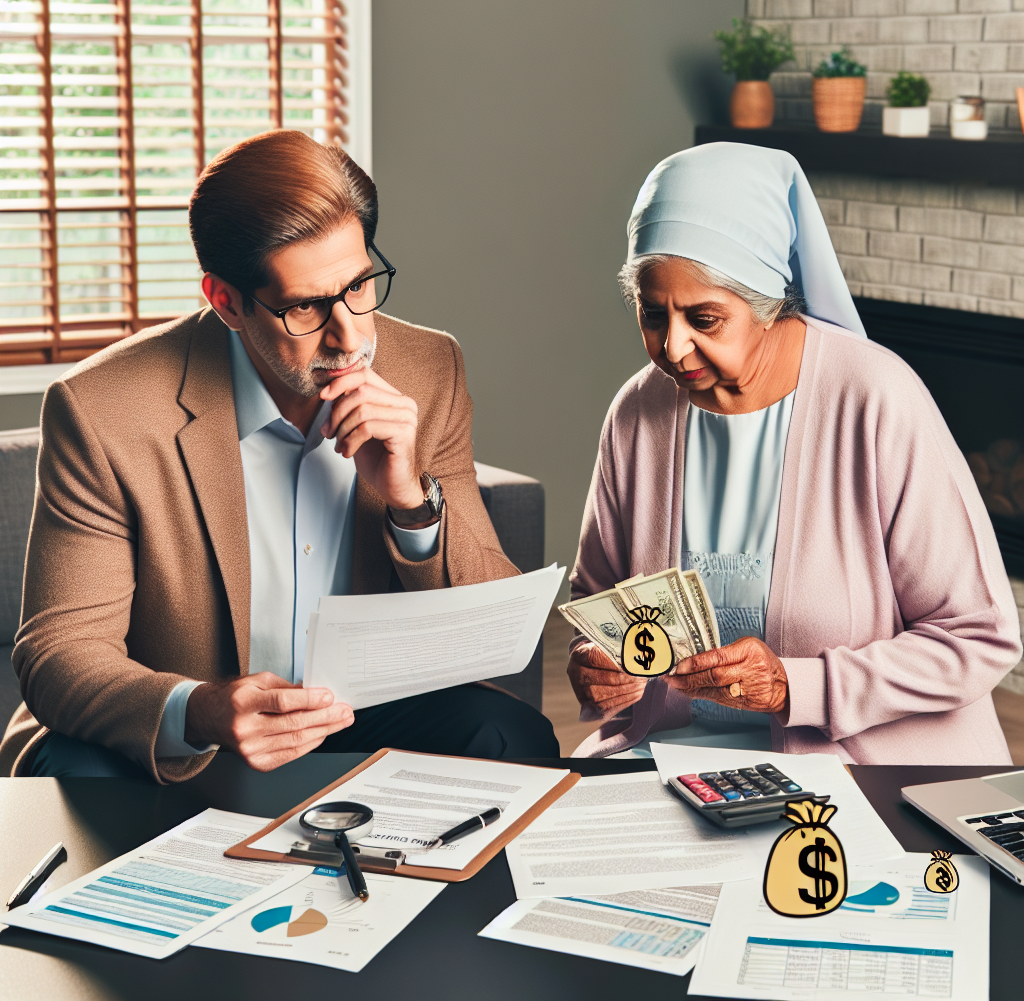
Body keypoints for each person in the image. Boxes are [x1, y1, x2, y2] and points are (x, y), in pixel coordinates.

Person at [0, 129, 557, 782]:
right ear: (226, 302)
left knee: (511, 734)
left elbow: (488, 635)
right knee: (72, 772)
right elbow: (59, 652)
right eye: (305, 308)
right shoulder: (101, 409)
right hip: (190, 732)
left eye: (358, 286)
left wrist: (412, 500)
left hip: (360, 715)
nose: (350, 334)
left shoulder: (429, 368)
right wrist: (197, 710)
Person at [568, 141, 1021, 764]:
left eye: (704, 318)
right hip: (670, 755)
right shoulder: (637, 412)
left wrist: (795, 686)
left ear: (767, 305)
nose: (673, 348)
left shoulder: (876, 398)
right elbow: (598, 601)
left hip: (855, 767)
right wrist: (594, 664)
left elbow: (979, 638)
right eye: (653, 315)